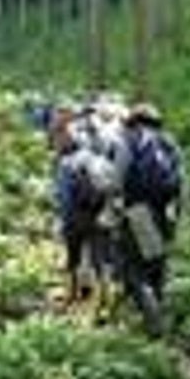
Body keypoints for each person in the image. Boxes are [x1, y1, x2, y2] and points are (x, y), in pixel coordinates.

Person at [113, 105, 186, 326]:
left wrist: (115, 208)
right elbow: (183, 182)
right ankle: (159, 315)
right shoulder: (170, 143)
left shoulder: (131, 141)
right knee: (157, 265)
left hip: (138, 211)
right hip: (165, 211)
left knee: (134, 267)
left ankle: (153, 320)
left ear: (134, 122)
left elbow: (117, 178)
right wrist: (179, 215)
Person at [49, 104, 123, 302]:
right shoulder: (98, 160)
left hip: (74, 217)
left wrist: (61, 220)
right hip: (98, 215)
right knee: (100, 260)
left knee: (73, 258)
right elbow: (113, 187)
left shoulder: (66, 164)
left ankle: (71, 297)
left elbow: (63, 197)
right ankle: (106, 300)